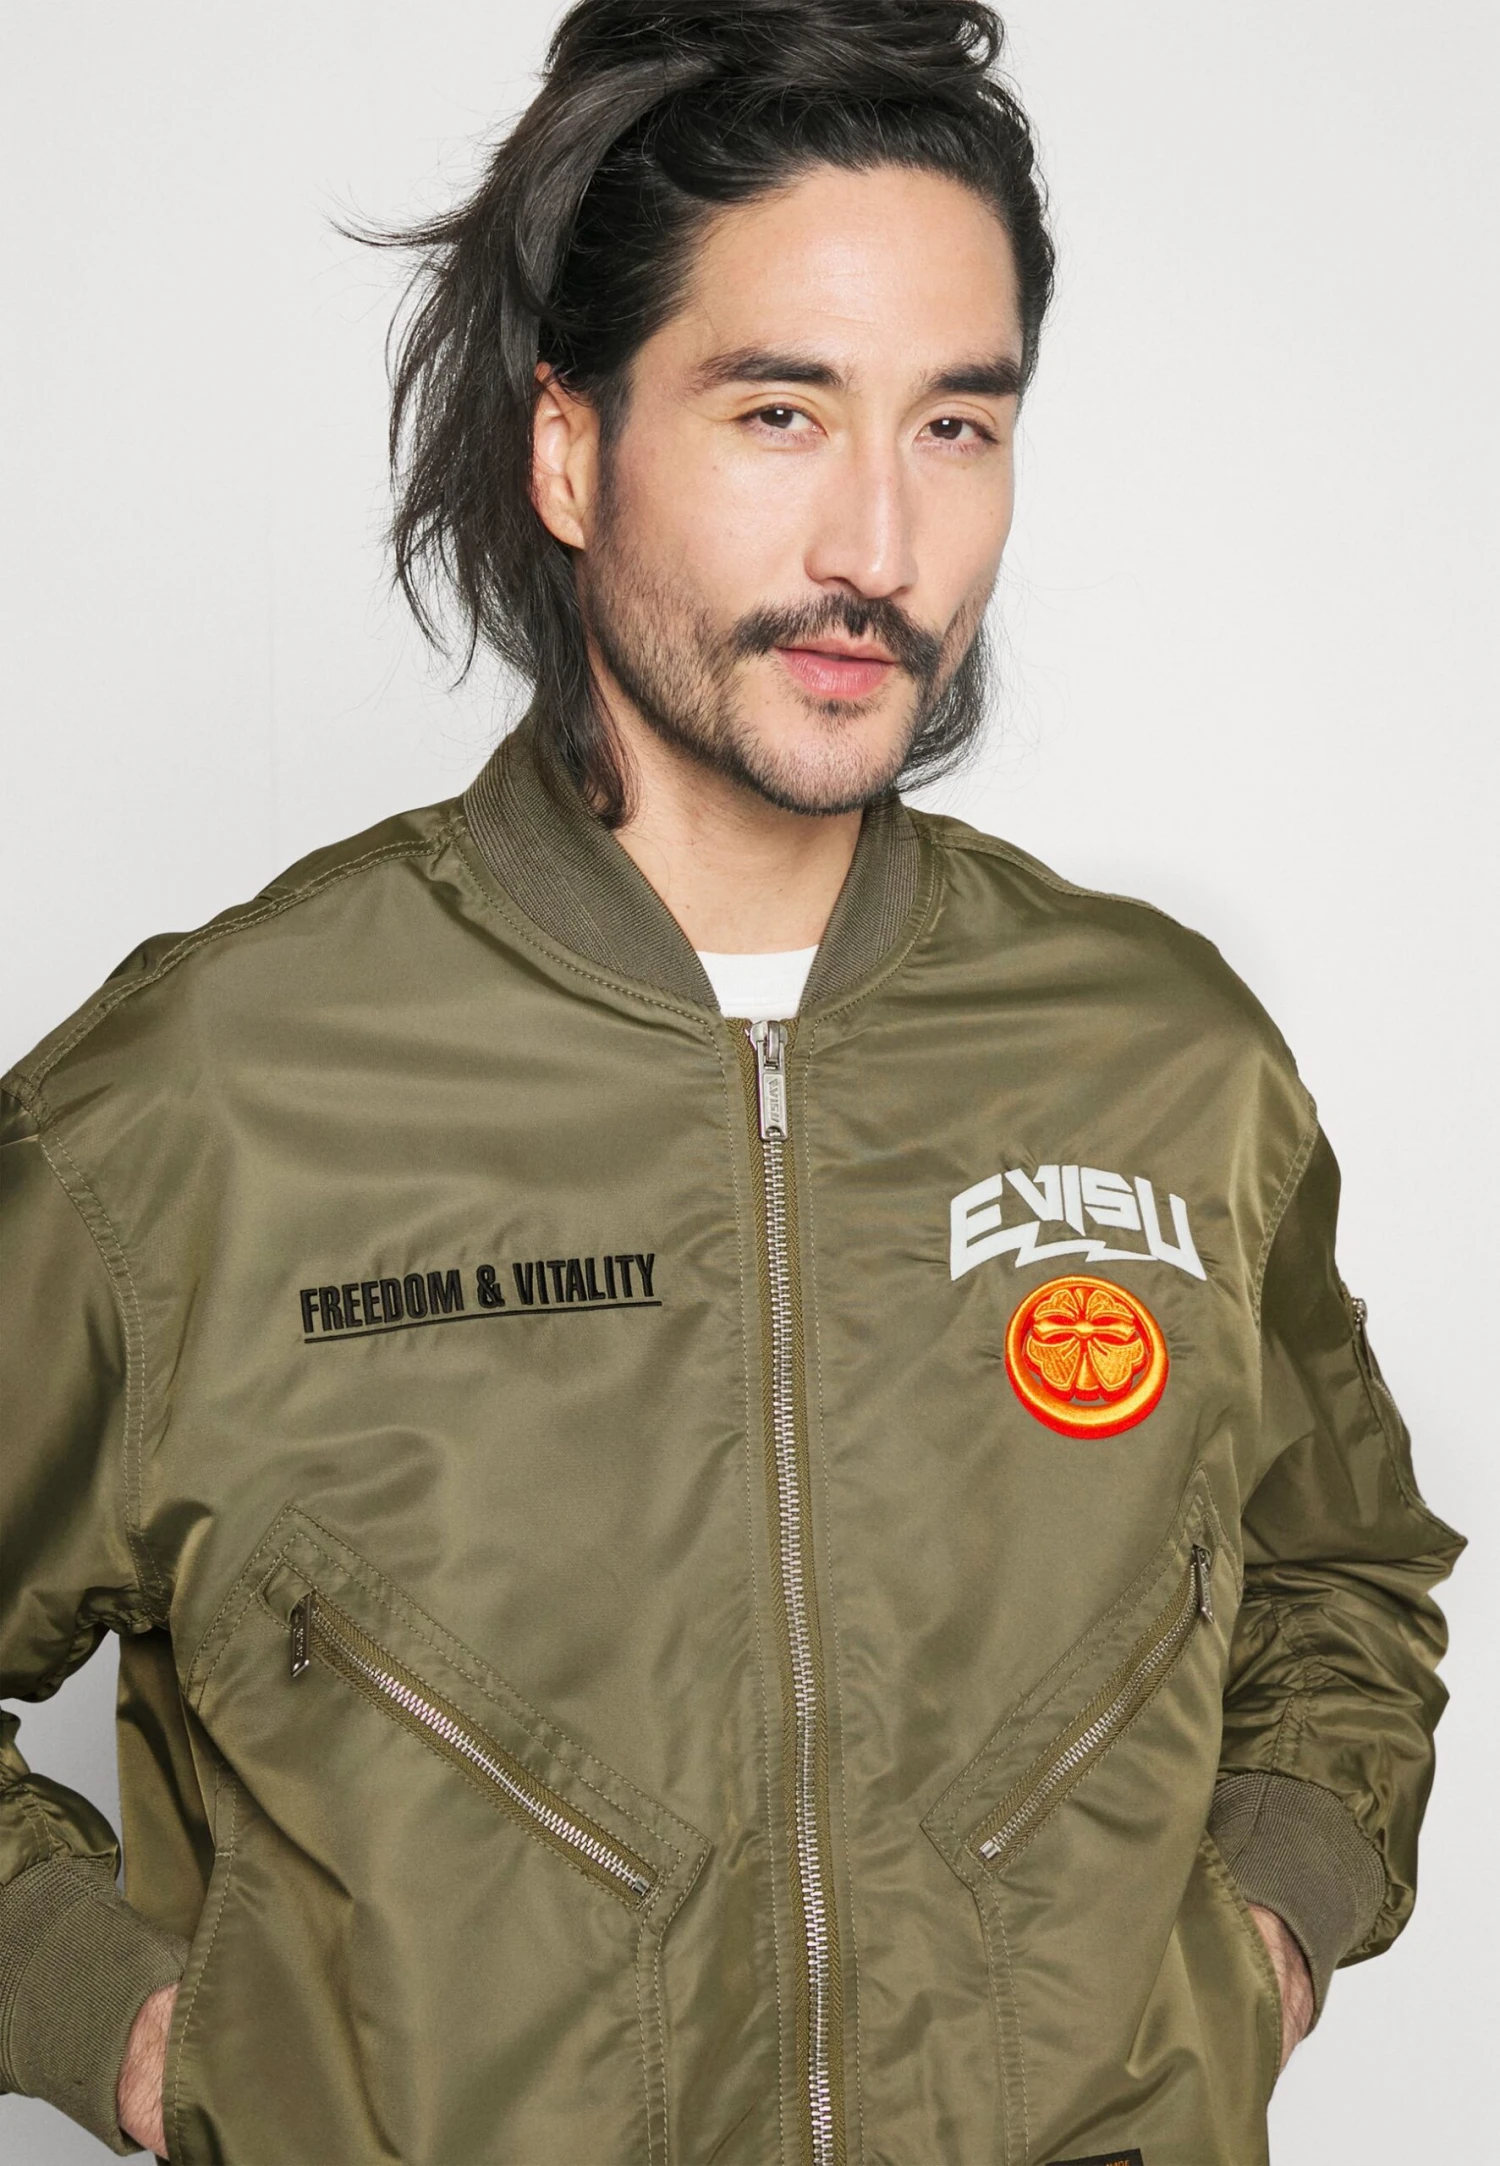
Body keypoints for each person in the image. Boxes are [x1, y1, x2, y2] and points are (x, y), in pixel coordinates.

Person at [0, 2, 1462, 2160]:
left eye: (956, 426)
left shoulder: (1167, 1058)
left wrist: (1264, 1934)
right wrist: (135, 2023)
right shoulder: (207, 1099)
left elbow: (1340, 1582)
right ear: (569, 449)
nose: (880, 540)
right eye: (781, 411)